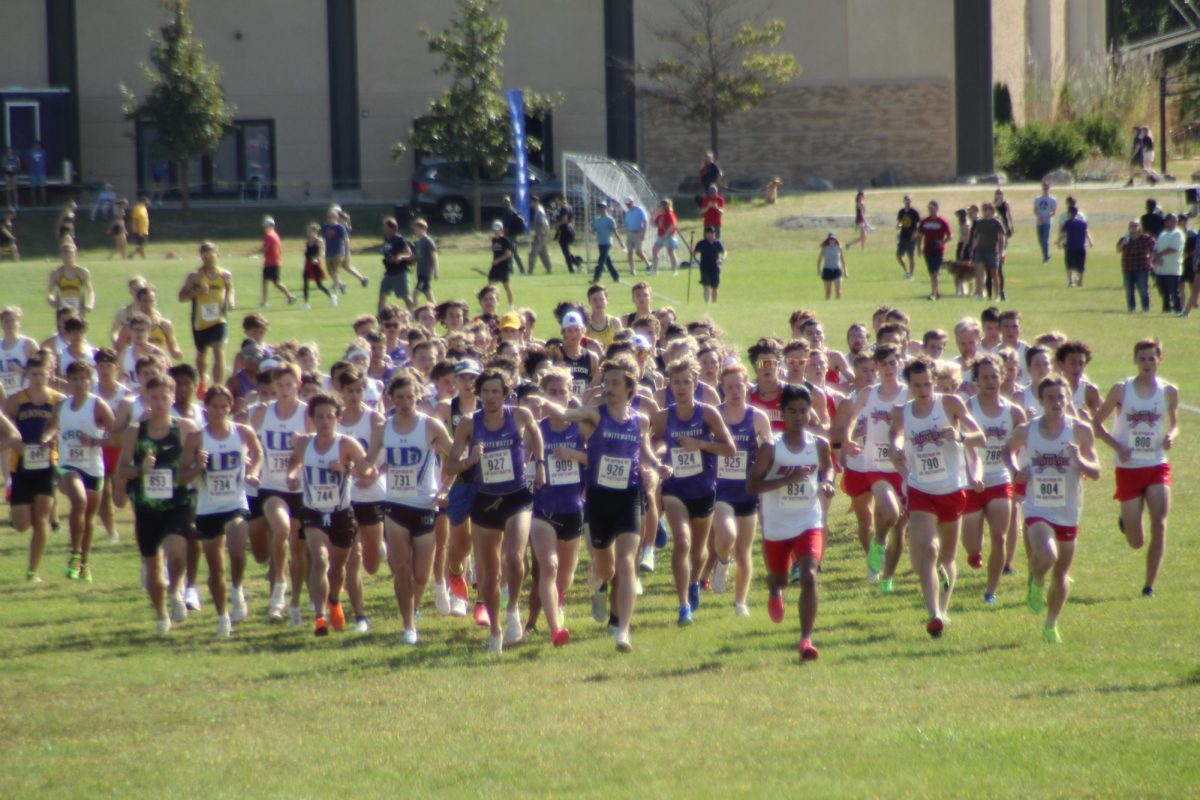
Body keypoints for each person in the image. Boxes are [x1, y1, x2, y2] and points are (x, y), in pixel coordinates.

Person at [537, 359, 670, 652]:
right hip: (598, 500)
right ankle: (597, 579)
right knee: (607, 568)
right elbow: (566, 413)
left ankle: (623, 630)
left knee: (626, 564)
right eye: (606, 382)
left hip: (628, 497)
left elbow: (644, 451)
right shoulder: (594, 415)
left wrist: (658, 466)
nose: (608, 388)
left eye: (615, 383)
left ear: (629, 388)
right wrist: (545, 403)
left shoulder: (641, 420)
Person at [445, 368, 545, 653]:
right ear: (478, 394)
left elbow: (537, 435)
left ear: (505, 394)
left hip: (517, 498)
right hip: (485, 501)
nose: (490, 397)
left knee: (514, 557)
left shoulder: (519, 416)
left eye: (495, 392)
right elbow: (449, 466)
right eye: (485, 392)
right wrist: (469, 461)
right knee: (489, 575)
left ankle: (513, 608)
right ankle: (495, 630)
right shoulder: (469, 424)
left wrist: (539, 465)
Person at [889, 357, 984, 637]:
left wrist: (958, 435)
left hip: (952, 489)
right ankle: (934, 613)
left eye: (927, 383)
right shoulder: (902, 411)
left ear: (934, 380)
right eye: (917, 385)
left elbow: (980, 436)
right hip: (921, 490)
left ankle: (944, 607)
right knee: (929, 550)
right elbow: (896, 435)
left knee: (947, 556)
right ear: (910, 386)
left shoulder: (950, 403)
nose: (923, 390)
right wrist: (896, 448)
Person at [1005, 376, 1101, 643]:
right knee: (1047, 556)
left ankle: (1051, 623)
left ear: (1068, 398)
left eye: (1061, 397)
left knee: (1061, 573)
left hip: (1068, 510)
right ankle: (1036, 582)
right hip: (1037, 507)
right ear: (1041, 400)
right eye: (1050, 398)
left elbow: (1096, 472)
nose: (1056, 402)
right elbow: (1008, 450)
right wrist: (1016, 470)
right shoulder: (1028, 430)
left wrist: (1079, 459)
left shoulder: (1080, 431)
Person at [746, 384, 833, 661]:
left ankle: (806, 639)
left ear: (810, 413)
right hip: (777, 525)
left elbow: (827, 467)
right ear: (782, 413)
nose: (798, 416)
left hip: (809, 520)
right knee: (780, 579)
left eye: (804, 411)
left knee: (808, 575)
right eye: (792, 411)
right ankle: (775, 591)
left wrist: (827, 482)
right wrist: (786, 479)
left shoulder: (819, 444)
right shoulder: (772, 447)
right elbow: (752, 486)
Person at [367, 373, 453, 643]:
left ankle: (415, 606)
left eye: (409, 397)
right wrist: (360, 469)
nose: (405, 402)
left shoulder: (431, 426)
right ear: (391, 398)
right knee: (401, 568)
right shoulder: (384, 429)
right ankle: (409, 624)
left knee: (421, 573)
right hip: (395, 505)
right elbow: (369, 460)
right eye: (399, 397)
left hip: (425, 505)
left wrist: (445, 488)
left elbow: (455, 458)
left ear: (419, 396)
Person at [652, 356, 736, 626]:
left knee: (699, 550)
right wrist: (659, 462)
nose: (681, 387)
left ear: (695, 383)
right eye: (676, 382)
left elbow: (730, 448)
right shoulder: (663, 417)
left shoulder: (708, 413)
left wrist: (699, 444)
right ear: (670, 386)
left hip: (703, 488)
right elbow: (653, 446)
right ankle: (683, 605)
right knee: (683, 542)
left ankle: (694, 584)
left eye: (686, 382)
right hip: (674, 488)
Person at [1091, 338, 1177, 598]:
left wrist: (1171, 435)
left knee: (1159, 523)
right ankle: (1126, 522)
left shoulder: (1168, 391)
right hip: (1128, 468)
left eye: (1152, 358)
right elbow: (1096, 425)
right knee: (1136, 541)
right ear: (1135, 361)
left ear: (1159, 360)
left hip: (1156, 464)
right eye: (1142, 359)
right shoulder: (1122, 390)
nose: (1147, 363)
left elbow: (1174, 423)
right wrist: (1117, 447)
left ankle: (1149, 586)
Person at [117, 374, 201, 634]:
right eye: (154, 397)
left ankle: (176, 589)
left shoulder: (186, 428)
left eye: (165, 397)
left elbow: (199, 462)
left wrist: (200, 467)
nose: (160, 402)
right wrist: (140, 469)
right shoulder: (135, 431)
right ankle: (162, 614)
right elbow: (122, 469)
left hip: (178, 502)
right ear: (147, 400)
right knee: (153, 563)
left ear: (172, 398)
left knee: (177, 553)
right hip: (147, 506)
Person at [287, 393, 375, 637]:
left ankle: (334, 599)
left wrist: (347, 468)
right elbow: (293, 464)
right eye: (319, 417)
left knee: (338, 568)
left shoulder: (346, 444)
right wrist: (292, 476)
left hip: (341, 513)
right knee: (320, 559)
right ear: (312, 419)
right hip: (313, 512)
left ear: (338, 418)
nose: (324, 421)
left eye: (329, 416)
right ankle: (320, 617)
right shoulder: (305, 443)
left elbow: (369, 471)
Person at [179, 385, 262, 635]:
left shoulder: (242, 432)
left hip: (236, 503)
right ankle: (222, 616)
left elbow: (258, 454)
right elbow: (182, 476)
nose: (219, 411)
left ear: (231, 408)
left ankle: (237, 590)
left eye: (224, 406)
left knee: (237, 549)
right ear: (206, 408)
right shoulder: (197, 437)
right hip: (207, 507)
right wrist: (197, 466)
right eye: (214, 406)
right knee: (215, 568)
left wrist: (252, 472)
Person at [840, 345, 908, 590]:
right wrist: (848, 439)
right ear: (877, 368)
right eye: (884, 364)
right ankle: (878, 542)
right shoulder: (869, 394)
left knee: (900, 529)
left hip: (903, 466)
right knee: (890, 513)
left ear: (899, 364)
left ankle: (886, 578)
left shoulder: (909, 394)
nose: (889, 368)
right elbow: (852, 419)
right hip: (876, 465)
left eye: (893, 362)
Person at [526, 369, 585, 645]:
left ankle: (558, 598)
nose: (559, 397)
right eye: (553, 392)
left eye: (563, 392)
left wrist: (573, 454)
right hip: (543, 508)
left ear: (571, 394)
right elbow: (520, 462)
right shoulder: (536, 430)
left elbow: (597, 460)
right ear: (544, 396)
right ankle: (555, 629)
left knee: (565, 576)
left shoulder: (581, 427)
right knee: (548, 567)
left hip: (573, 508)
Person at [251, 362, 311, 624]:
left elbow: (320, 447)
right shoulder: (261, 413)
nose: (284, 390)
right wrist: (249, 465)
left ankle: (295, 603)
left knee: (298, 551)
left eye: (289, 384)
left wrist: (303, 446)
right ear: (272, 387)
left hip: (299, 489)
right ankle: (279, 586)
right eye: (279, 385)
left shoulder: (307, 413)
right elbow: (251, 445)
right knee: (281, 530)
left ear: (297, 385)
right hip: (271, 487)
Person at [962, 354, 1025, 603]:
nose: (990, 382)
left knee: (999, 537)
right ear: (976, 380)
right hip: (971, 481)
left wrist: (1018, 467)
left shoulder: (1014, 412)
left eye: (994, 376)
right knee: (972, 544)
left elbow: (1024, 441)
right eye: (985, 377)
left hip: (1000, 479)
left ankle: (991, 590)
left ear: (1002, 377)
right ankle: (974, 553)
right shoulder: (967, 407)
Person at [711, 363, 773, 616]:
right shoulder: (714, 415)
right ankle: (723, 562)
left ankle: (740, 603)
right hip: (720, 489)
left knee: (744, 550)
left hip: (748, 491)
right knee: (727, 536)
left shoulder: (757, 417)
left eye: (739, 386)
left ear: (747, 386)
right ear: (722, 389)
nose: (735, 392)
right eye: (729, 387)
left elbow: (769, 452)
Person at [335, 368, 387, 634]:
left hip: (374, 494)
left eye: (358, 390)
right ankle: (360, 616)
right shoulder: (335, 422)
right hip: (346, 497)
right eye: (349, 390)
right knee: (352, 558)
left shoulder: (375, 419)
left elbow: (389, 453)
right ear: (340, 392)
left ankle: (380, 547)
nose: (354, 395)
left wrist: (376, 472)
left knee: (372, 563)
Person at [57, 361, 116, 584]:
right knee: (79, 502)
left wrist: (93, 440)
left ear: (90, 381)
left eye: (83, 379)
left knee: (89, 517)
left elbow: (116, 435)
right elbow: (52, 427)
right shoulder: (61, 406)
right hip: (68, 464)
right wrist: (45, 439)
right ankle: (74, 554)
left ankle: (85, 561)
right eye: (74, 379)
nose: (79, 383)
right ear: (68, 381)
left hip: (93, 467)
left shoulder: (98, 405)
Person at [7, 356, 61, 582]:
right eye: (34, 374)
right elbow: (6, 424)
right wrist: (14, 441)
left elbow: (57, 425)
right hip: (21, 464)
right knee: (22, 524)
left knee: (41, 518)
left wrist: (49, 437)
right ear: (27, 374)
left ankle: (33, 570)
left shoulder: (57, 400)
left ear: (50, 373)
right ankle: (17, 512)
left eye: (43, 374)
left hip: (47, 464)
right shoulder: (17, 400)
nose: (39, 378)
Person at [178, 242, 235, 390]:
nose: (208, 260)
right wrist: (197, 292)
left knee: (219, 351)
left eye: (210, 256)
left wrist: (230, 301)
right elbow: (181, 297)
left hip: (219, 319)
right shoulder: (195, 277)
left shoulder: (224, 275)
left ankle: (218, 387)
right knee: (201, 354)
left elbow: (230, 289)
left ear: (217, 255)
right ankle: (203, 379)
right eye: (204, 257)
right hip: (200, 321)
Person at [253, 216, 297, 308]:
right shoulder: (275, 235)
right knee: (265, 281)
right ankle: (264, 302)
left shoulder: (269, 236)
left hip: (271, 262)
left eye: (266, 226)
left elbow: (265, 248)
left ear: (271, 226)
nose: (264, 227)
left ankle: (289, 296)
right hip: (273, 261)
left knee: (276, 283)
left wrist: (254, 252)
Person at [322, 207, 368, 293]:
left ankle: (340, 284)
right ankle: (360, 279)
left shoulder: (341, 223)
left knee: (339, 268)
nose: (330, 218)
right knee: (346, 267)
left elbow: (347, 235)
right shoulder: (332, 224)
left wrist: (347, 253)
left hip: (340, 249)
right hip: (336, 249)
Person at [373, 217, 414, 311]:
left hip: (399, 273)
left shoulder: (399, 240)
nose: (383, 228)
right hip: (388, 272)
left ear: (392, 228)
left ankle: (413, 314)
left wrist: (400, 256)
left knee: (405, 296)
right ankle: (380, 317)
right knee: (382, 294)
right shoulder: (387, 239)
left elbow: (409, 254)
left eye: (385, 227)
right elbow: (387, 250)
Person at [47, 242, 95, 317]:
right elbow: (50, 292)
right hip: (62, 310)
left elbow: (90, 291)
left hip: (78, 310)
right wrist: (51, 300)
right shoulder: (56, 273)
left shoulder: (82, 272)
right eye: (65, 253)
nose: (67, 256)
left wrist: (90, 304)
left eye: (70, 253)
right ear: (61, 256)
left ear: (75, 254)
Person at [1117, 219, 1155, 313]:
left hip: (1142, 268)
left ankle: (1145, 308)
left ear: (1139, 227)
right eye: (1131, 226)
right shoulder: (1125, 238)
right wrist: (1123, 243)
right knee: (1129, 290)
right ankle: (1131, 308)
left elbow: (1154, 250)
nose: (1133, 228)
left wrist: (1150, 261)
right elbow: (1118, 250)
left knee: (1143, 289)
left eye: (1135, 226)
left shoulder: (1146, 238)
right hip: (1128, 268)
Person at [917, 200, 953, 301]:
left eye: (932, 208)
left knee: (935, 273)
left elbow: (950, 236)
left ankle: (933, 294)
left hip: (939, 250)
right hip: (928, 250)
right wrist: (919, 247)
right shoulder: (925, 222)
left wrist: (942, 242)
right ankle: (936, 293)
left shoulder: (942, 221)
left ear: (937, 209)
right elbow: (919, 235)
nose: (930, 210)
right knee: (932, 273)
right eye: (929, 209)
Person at [970, 203, 1007, 300]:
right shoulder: (980, 223)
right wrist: (972, 249)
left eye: (988, 209)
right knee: (979, 273)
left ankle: (997, 295)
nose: (986, 211)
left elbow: (1002, 237)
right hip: (980, 250)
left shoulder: (996, 222)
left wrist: (1002, 251)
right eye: (984, 209)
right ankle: (980, 294)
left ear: (992, 210)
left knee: (994, 273)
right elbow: (977, 237)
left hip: (992, 251)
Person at [1152, 213, 1184, 313]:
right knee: (1163, 290)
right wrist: (1156, 257)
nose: (1170, 222)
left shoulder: (1177, 234)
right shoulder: (1163, 234)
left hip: (1172, 268)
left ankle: (1178, 308)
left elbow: (1174, 248)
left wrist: (1160, 254)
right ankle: (1166, 308)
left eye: (1173, 220)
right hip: (1161, 268)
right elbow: (1156, 248)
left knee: (1174, 290)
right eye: (1168, 220)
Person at [1057, 206, 1094, 289]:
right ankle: (1080, 281)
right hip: (1081, 247)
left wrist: (1058, 242)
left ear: (1070, 213)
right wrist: (1090, 241)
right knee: (1081, 265)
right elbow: (1085, 232)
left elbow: (1063, 234)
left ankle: (1070, 282)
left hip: (1070, 247)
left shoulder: (1068, 223)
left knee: (1069, 265)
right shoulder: (1083, 223)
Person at [591, 201, 623, 284]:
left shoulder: (610, 219)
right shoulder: (597, 219)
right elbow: (594, 230)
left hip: (607, 242)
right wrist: (592, 231)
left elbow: (615, 231)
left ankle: (596, 279)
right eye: (600, 207)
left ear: (606, 208)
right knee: (607, 261)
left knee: (601, 261)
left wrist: (621, 242)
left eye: (603, 207)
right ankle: (616, 276)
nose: (601, 209)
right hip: (600, 243)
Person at [410, 218, 440, 304]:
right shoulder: (418, 242)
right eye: (414, 229)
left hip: (425, 274)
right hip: (420, 273)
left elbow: (434, 256)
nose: (415, 231)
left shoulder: (428, 241)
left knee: (415, 294)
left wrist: (436, 271)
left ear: (423, 229)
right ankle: (437, 312)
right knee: (428, 295)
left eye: (417, 229)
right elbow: (416, 256)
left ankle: (415, 314)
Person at [488, 220, 517, 308]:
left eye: (498, 229)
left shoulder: (505, 240)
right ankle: (490, 305)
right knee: (489, 287)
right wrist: (495, 262)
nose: (496, 231)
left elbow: (508, 254)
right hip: (495, 267)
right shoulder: (493, 240)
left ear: (501, 230)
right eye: (494, 230)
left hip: (503, 266)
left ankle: (511, 306)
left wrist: (498, 260)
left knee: (506, 286)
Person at [694, 226, 726, 304]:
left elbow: (724, 252)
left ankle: (714, 303)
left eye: (712, 233)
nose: (711, 235)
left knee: (715, 287)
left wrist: (722, 259)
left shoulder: (717, 243)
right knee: (706, 286)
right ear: (706, 234)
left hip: (715, 267)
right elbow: (694, 253)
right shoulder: (701, 243)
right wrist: (694, 257)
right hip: (704, 267)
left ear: (714, 234)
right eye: (709, 233)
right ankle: (706, 303)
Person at [651, 198, 680, 275]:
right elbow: (654, 224)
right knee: (654, 250)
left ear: (665, 207)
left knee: (670, 253)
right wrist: (652, 215)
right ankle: (654, 270)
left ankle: (674, 271)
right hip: (660, 236)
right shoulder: (660, 215)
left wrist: (666, 235)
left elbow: (672, 225)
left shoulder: (669, 214)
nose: (659, 207)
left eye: (660, 206)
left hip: (669, 236)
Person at [622, 196, 650, 275]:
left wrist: (643, 233)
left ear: (633, 202)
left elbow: (645, 222)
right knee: (629, 252)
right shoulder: (627, 213)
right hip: (630, 233)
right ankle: (632, 270)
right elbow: (628, 224)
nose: (628, 205)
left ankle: (648, 264)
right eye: (627, 204)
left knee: (638, 252)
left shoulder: (639, 210)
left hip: (638, 233)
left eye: (630, 203)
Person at [895, 195, 921, 279]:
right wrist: (898, 226)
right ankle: (906, 271)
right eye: (906, 201)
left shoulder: (914, 212)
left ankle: (911, 275)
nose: (908, 203)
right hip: (903, 236)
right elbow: (900, 222)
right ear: (904, 202)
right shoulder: (901, 212)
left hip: (911, 237)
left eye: (909, 201)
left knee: (911, 257)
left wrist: (915, 233)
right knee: (899, 256)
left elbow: (919, 224)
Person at [554, 198, 582, 273]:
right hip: (571, 230)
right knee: (567, 252)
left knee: (566, 252)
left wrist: (557, 225)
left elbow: (564, 220)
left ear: (560, 200)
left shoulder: (564, 208)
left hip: (566, 231)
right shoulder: (570, 207)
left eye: (557, 201)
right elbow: (571, 220)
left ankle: (573, 266)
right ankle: (576, 263)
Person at [501, 196, 527, 275]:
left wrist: (503, 235)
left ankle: (514, 270)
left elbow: (506, 226)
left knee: (512, 253)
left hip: (509, 236)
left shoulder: (507, 212)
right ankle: (518, 270)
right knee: (514, 253)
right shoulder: (513, 210)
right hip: (513, 235)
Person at [816, 231, 846, 300]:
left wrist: (845, 271)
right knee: (828, 292)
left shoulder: (839, 248)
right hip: (827, 270)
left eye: (833, 239)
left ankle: (838, 305)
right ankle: (827, 304)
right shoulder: (824, 248)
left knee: (838, 291)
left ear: (836, 240)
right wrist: (818, 269)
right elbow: (819, 260)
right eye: (830, 239)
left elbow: (843, 260)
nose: (832, 240)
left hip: (837, 270)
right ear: (828, 239)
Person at [1033, 181, 1057, 263]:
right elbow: (1035, 210)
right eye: (1044, 188)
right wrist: (1039, 216)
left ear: (1049, 189)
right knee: (1040, 240)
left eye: (1047, 188)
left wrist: (1047, 216)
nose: (1045, 190)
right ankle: (1046, 254)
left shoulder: (1052, 199)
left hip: (1047, 222)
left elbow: (1053, 212)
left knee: (1045, 239)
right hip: (1039, 222)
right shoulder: (1037, 199)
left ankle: (1046, 257)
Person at [527, 196, 552, 274]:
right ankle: (549, 269)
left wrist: (538, 235)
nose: (531, 204)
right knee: (543, 253)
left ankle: (530, 271)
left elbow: (541, 224)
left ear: (535, 202)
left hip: (540, 234)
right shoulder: (540, 209)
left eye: (531, 202)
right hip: (543, 234)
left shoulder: (539, 211)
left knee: (533, 253)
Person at [26, 141, 47, 206]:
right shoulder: (30, 152)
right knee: (32, 188)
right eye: (36, 145)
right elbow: (27, 160)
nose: (37, 146)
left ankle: (44, 202)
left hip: (41, 172)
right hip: (33, 172)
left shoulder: (43, 152)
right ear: (33, 145)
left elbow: (45, 160)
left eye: (38, 145)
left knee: (42, 187)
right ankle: (33, 202)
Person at [129, 196, 150, 260]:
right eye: (146, 201)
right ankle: (142, 257)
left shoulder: (144, 208)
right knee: (141, 245)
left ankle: (132, 255)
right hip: (139, 230)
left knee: (142, 245)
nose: (148, 202)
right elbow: (136, 220)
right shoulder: (137, 208)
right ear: (143, 201)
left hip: (144, 230)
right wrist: (139, 231)